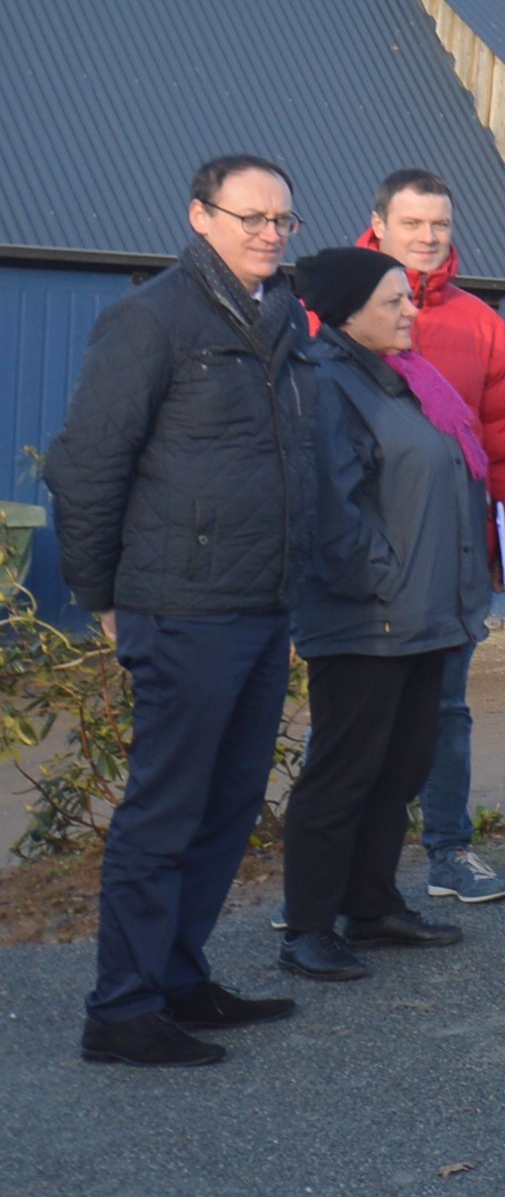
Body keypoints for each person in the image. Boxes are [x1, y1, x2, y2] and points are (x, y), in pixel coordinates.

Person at [47, 155, 315, 1067]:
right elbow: (85, 466)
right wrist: (104, 598)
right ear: (201, 216)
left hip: (260, 604)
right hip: (181, 606)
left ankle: (176, 977)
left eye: (282, 218)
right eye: (252, 216)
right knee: (165, 813)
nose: (270, 232)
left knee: (229, 803)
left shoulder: (282, 320)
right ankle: (120, 1011)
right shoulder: (152, 319)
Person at [275, 248, 492, 979]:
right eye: (392, 300)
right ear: (347, 311)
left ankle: (369, 908)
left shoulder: (404, 381)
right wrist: (387, 582)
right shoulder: (326, 382)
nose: (409, 310)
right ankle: (307, 926)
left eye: (409, 298)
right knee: (343, 773)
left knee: (400, 767)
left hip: (424, 614)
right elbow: (332, 509)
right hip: (369, 621)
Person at [356, 170, 505, 906]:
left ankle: (448, 852)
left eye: (439, 223)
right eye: (413, 223)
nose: (428, 236)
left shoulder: (479, 323)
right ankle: (329, 865)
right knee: (355, 714)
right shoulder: (328, 309)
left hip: (455, 546)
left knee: (446, 709)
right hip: (365, 546)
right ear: (379, 224)